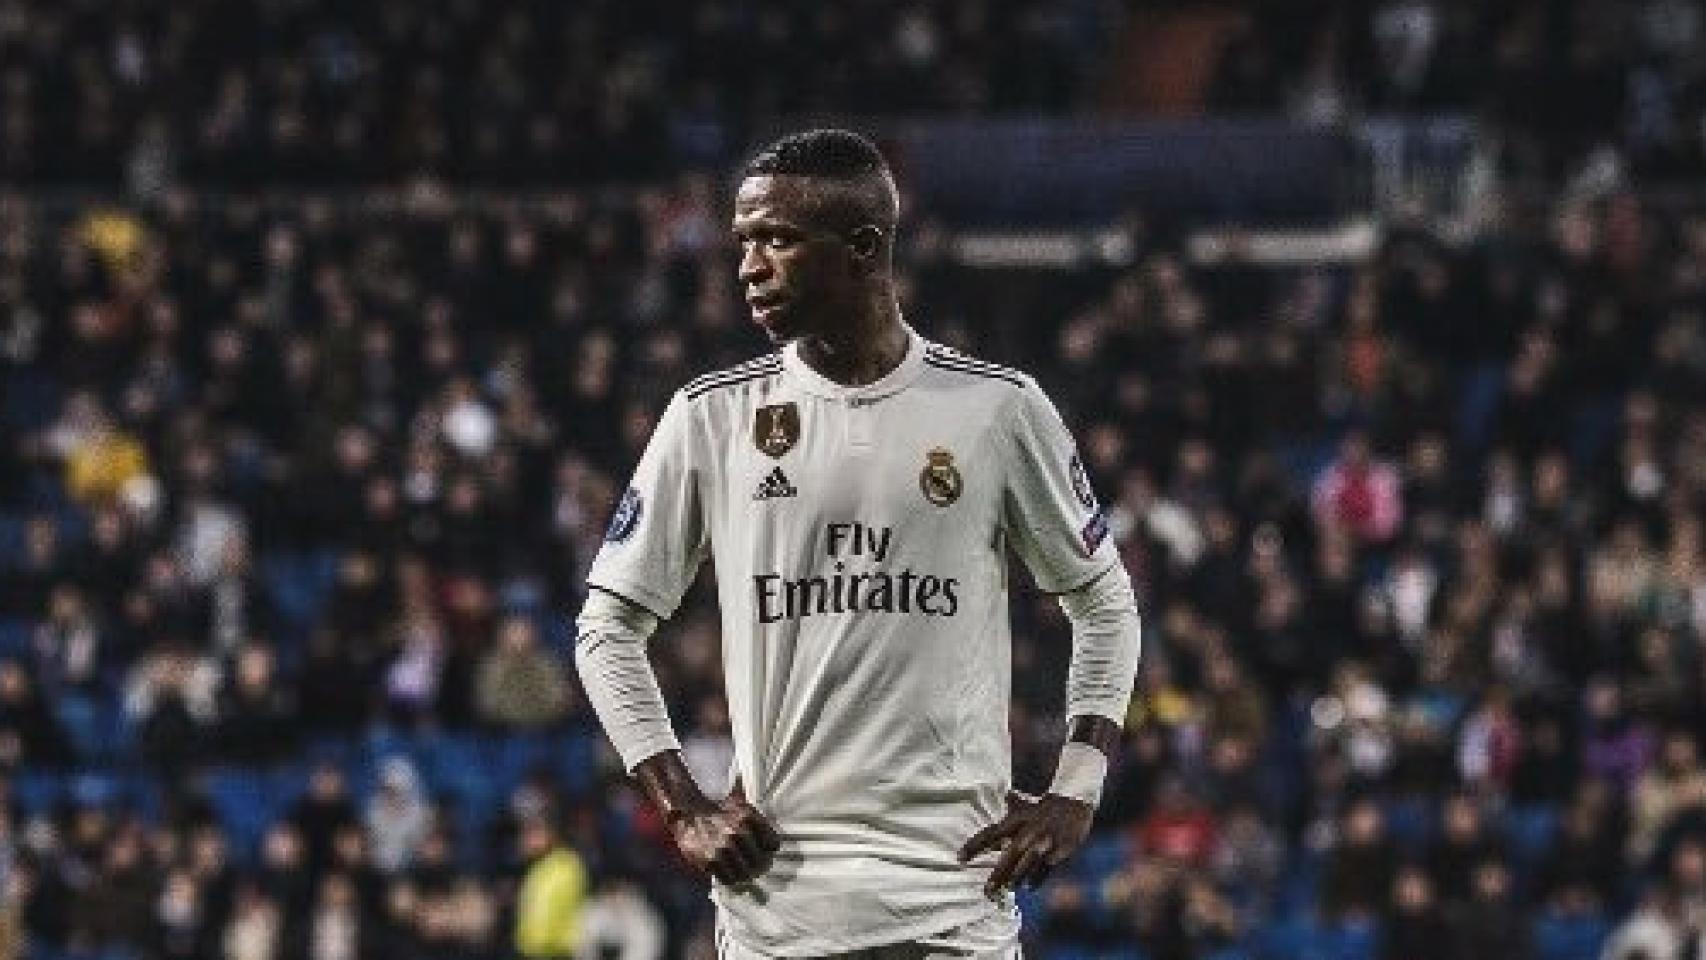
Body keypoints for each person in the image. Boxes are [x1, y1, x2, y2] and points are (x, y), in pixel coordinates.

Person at [574, 129, 1143, 957]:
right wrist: (683, 806)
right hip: (779, 922)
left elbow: (1105, 603)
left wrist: (1078, 788)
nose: (748, 266)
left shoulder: (996, 410)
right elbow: (605, 630)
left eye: (776, 239)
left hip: (954, 915)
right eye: (743, 242)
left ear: (863, 247)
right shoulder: (711, 417)